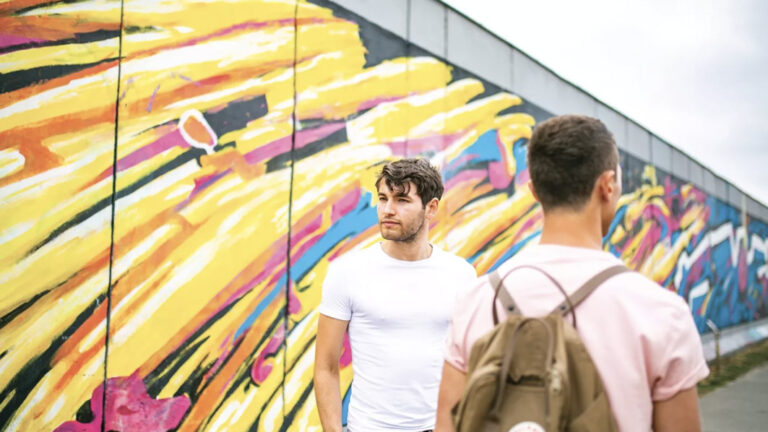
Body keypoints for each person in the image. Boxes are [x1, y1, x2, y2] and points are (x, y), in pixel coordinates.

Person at [434, 115, 709, 432]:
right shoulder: (661, 312)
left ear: (534, 191)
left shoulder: (476, 300)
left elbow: (447, 423)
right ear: (608, 186)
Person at [314, 158, 478, 432]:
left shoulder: (461, 275)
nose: (388, 210)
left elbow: (468, 364)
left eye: (402, 200)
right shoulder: (348, 272)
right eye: (383, 198)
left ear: (431, 208)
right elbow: (325, 367)